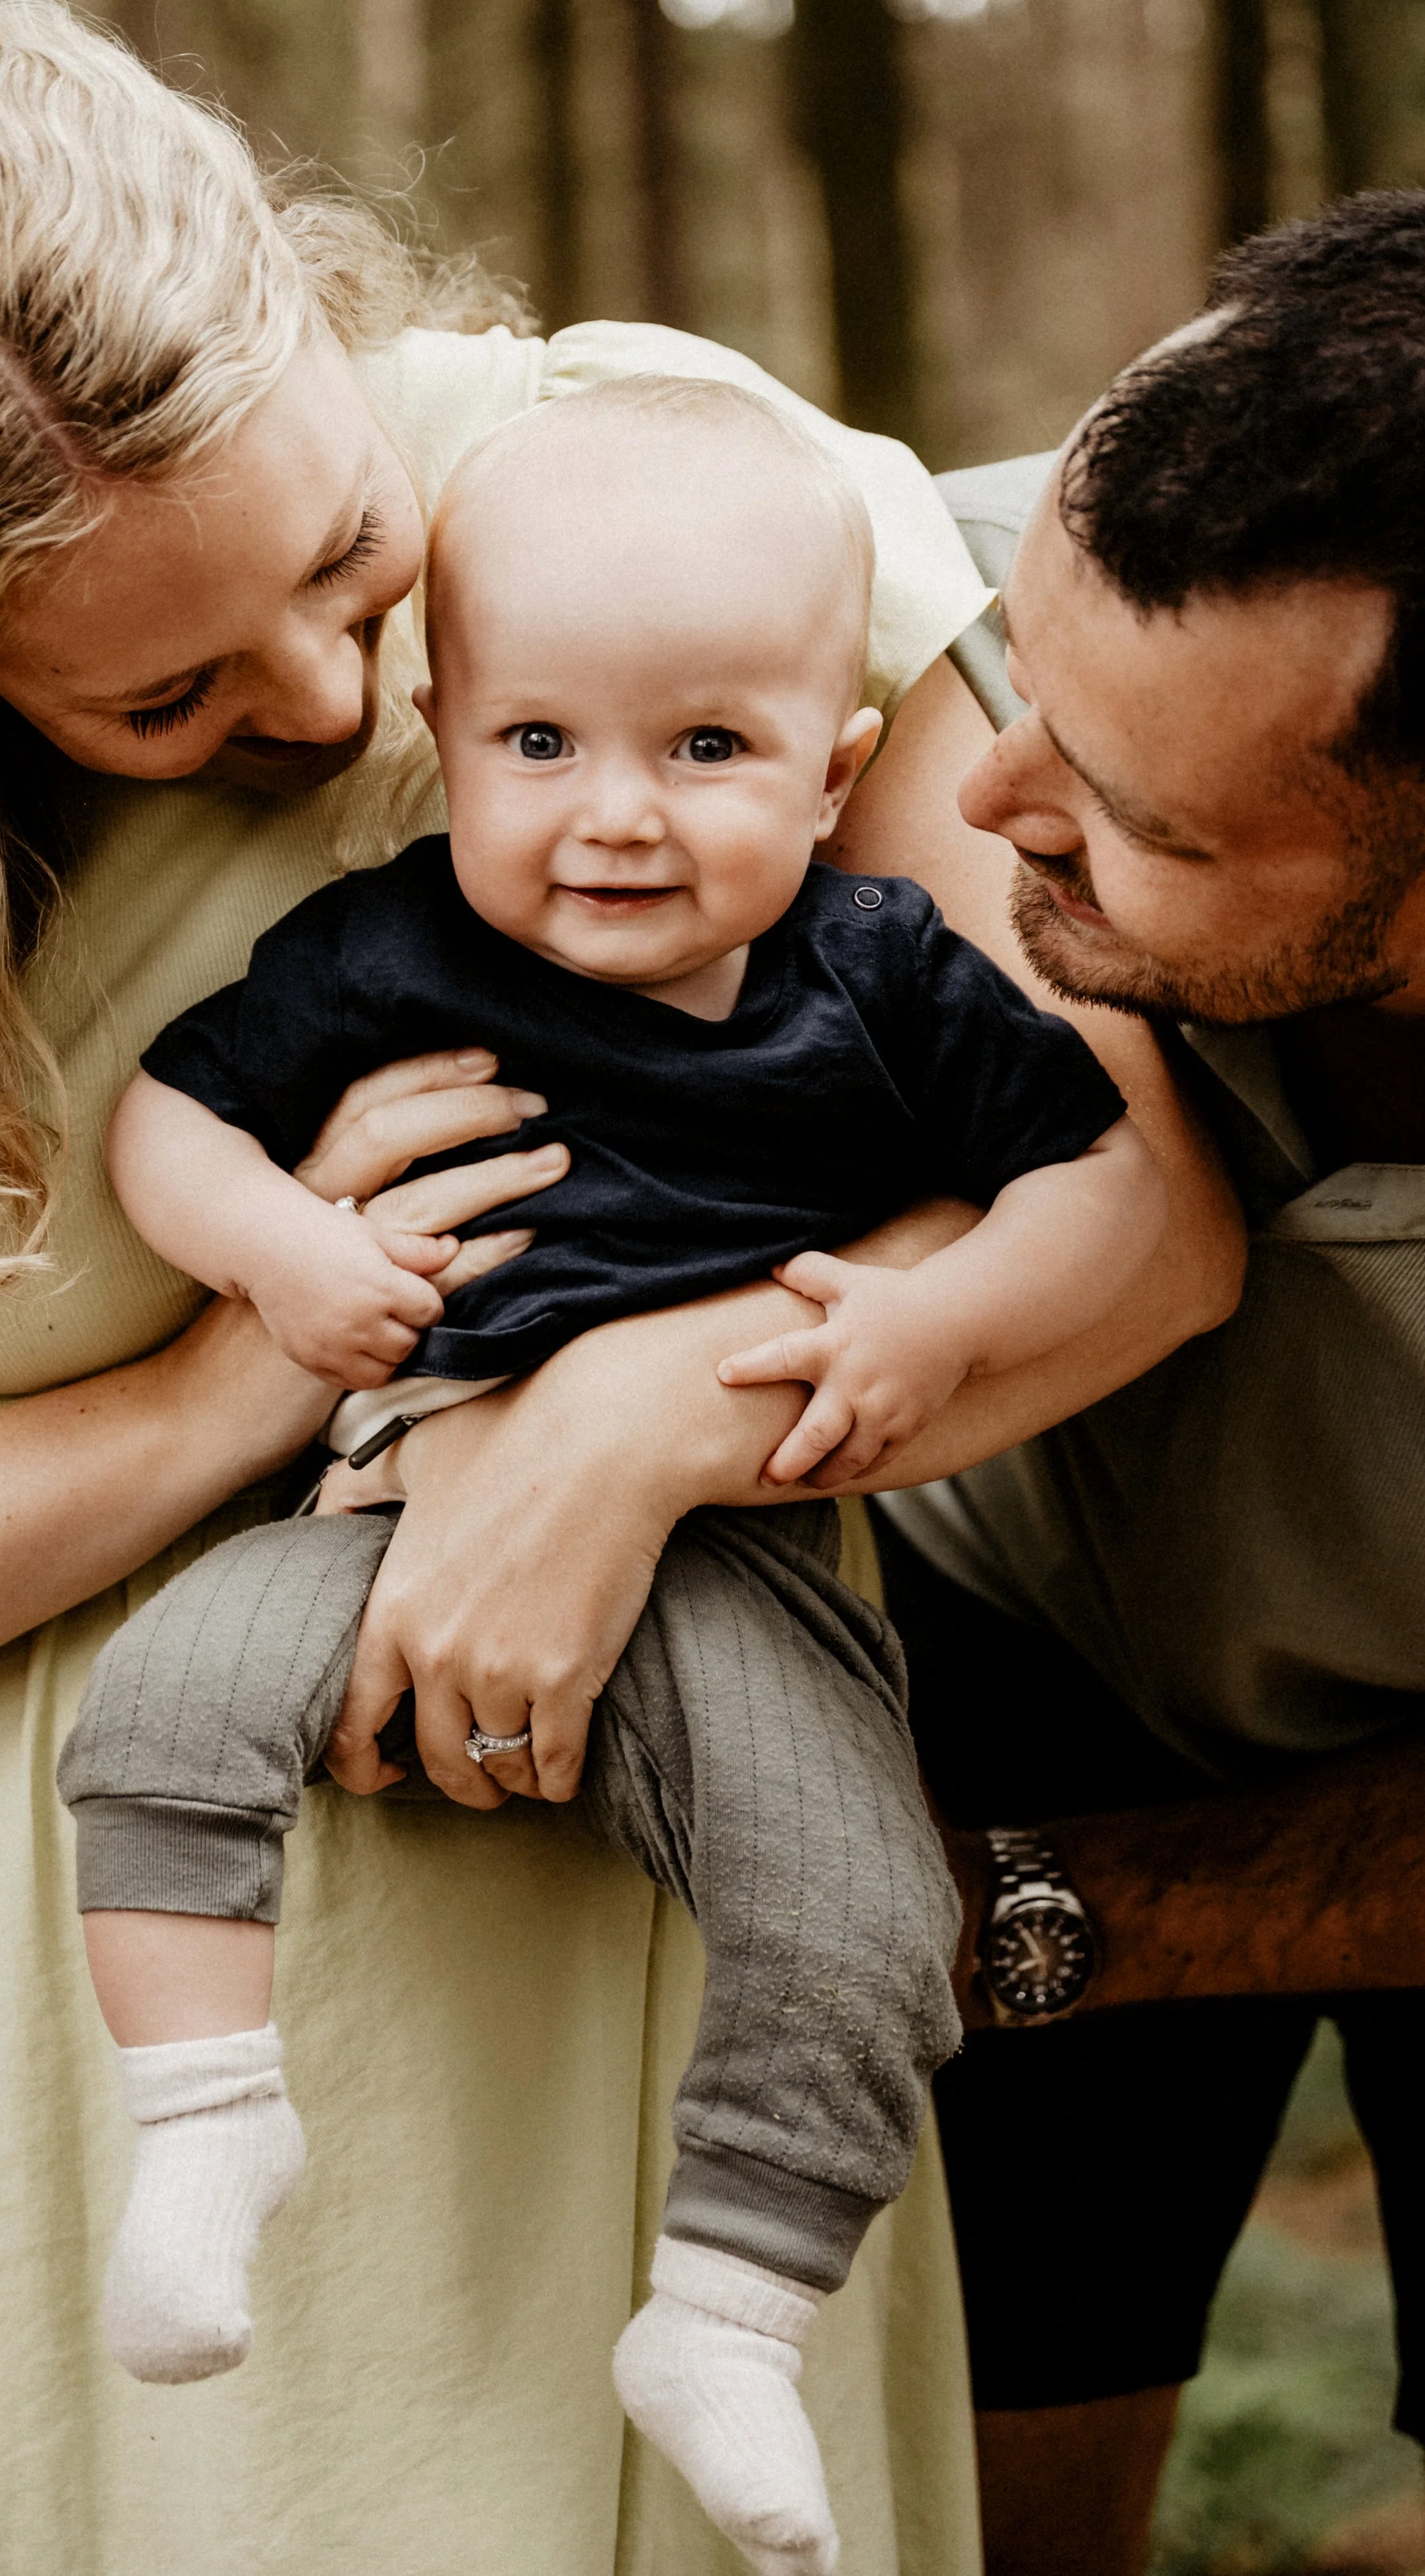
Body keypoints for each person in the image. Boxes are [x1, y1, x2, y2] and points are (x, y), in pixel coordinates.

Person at [0, 8, 1240, 2571]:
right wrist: (217, 1402)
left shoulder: (644, 492)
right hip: (25, 2011)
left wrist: (636, 1409)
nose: (330, 705)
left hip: (625, 1956)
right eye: (163, 691)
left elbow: (1131, 1219)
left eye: (343, 561)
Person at [57, 379, 1160, 2573]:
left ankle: (731, 2304)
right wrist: (281, 1248)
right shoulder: (387, 946)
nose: (615, 818)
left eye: (708, 749)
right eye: (540, 746)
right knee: (162, 1704)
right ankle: (203, 2124)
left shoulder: (879, 970)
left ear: (837, 767)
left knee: (861, 1914)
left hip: (738, 1564)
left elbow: (1104, 1180)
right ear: (447, 732)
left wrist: (933, 1315)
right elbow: (164, 1123)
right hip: (392, 1495)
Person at [874, 190, 1425, 2576]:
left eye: (1139, 821)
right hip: (1001, 1632)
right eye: (1026, 679)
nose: (998, 809)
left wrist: (1037, 1918)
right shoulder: (1050, 590)